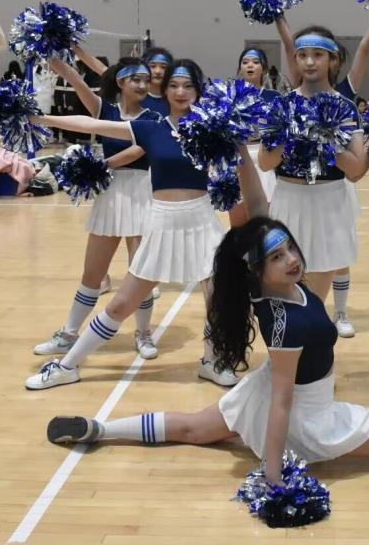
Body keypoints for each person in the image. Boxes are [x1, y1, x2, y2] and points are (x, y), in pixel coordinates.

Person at [44, 218, 369, 480]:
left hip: (276, 393)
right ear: (259, 271)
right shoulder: (284, 321)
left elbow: (255, 213)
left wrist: (237, 148)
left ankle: (99, 430)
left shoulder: (272, 289)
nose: (292, 259)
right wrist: (274, 475)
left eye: (289, 248)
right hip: (306, 414)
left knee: (193, 430)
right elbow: (281, 403)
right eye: (277, 257)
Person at [26, 59, 266, 390]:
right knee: (121, 303)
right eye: (174, 85)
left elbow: (242, 167)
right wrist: (39, 118)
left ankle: (211, 361)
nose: (181, 92)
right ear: (164, 91)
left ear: (199, 91)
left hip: (202, 220)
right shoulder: (151, 128)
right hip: (161, 222)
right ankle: (68, 365)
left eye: (188, 86)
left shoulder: (213, 128)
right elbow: (93, 124)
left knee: (218, 298)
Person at [33, 56, 163, 360]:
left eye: (146, 80)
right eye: (136, 79)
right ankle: (68, 334)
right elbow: (75, 79)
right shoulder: (104, 109)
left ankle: (143, 332)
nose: (143, 85)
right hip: (110, 194)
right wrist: (52, 53)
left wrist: (101, 165)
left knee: (140, 271)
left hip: (142, 192)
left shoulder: (154, 117)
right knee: (92, 274)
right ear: (121, 82)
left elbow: (139, 150)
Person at [273, 11, 369, 337]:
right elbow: (266, 162)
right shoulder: (284, 104)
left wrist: (325, 139)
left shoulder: (345, 106)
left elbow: (356, 171)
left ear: (333, 60)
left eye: (318, 55)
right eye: (302, 55)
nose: (309, 62)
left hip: (329, 199)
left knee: (315, 299)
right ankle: (285, 354)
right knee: (283, 289)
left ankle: (325, 331)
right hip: (288, 198)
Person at [230, 47, 282, 227]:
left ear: (264, 69)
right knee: (238, 225)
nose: (250, 65)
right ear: (240, 68)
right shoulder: (230, 95)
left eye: (255, 62)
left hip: (264, 158)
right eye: (245, 62)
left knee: (264, 222)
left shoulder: (274, 97)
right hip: (238, 157)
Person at [142, 47, 175, 117]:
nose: (158, 71)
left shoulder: (176, 98)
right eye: (153, 66)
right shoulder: (137, 98)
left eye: (163, 67)